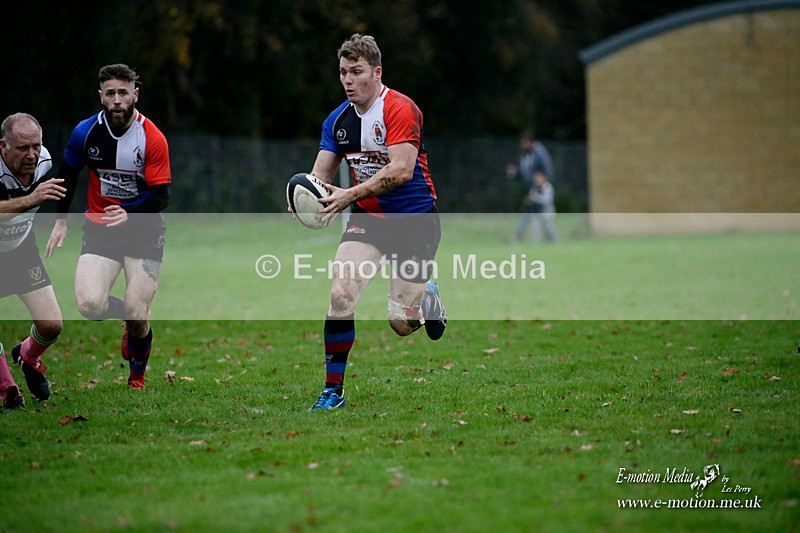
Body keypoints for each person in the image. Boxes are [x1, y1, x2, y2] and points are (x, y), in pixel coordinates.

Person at [299, 34, 447, 411]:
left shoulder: (400, 109)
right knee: (340, 294)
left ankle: (427, 294)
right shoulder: (337, 121)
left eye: (357, 72)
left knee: (400, 323)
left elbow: (401, 170)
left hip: (414, 220)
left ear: (376, 73)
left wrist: (348, 195)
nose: (348, 80)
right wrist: (306, 200)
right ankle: (333, 390)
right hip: (369, 219)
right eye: (343, 72)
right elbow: (320, 175)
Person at [46, 64, 171, 390]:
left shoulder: (152, 138)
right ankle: (130, 320)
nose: (117, 99)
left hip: (144, 233)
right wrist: (61, 220)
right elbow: (68, 174)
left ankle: (136, 377)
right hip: (100, 231)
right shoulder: (85, 133)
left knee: (137, 311)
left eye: (123, 92)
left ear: (135, 95)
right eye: (111, 93)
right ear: (101, 96)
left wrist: (128, 212)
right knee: (89, 305)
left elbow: (161, 196)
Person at [0, 113, 66, 409]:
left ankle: (27, 357)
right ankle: (7, 389)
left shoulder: (45, 162)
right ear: (3, 146)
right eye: (22, 148)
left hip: (21, 250)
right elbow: (31, 199)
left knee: (52, 325)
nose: (32, 155)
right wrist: (30, 199)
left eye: (36, 146)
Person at [506, 132, 556, 243]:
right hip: (531, 188)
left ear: (529, 142)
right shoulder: (526, 154)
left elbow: (546, 171)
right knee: (533, 216)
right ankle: (525, 238)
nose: (521, 146)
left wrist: (540, 187)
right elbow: (524, 170)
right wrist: (515, 172)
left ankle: (521, 238)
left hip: (538, 189)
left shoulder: (540, 154)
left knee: (541, 218)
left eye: (523, 143)